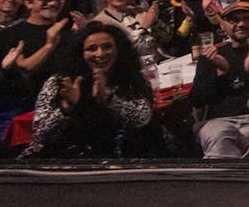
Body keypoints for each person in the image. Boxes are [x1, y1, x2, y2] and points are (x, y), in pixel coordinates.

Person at [23, 23, 156, 159]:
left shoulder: (131, 79)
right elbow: (40, 135)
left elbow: (142, 119)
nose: (100, 54)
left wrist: (109, 99)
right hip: (64, 160)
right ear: (80, 53)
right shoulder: (59, 82)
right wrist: (66, 109)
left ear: (119, 49)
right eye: (91, 49)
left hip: (121, 159)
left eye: (107, 47)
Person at [191, 1, 249, 159]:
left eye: (248, 18)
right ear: (222, 25)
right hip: (218, 120)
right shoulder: (213, 55)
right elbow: (197, 100)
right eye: (233, 20)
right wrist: (221, 74)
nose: (241, 24)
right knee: (219, 139)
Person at [149, 0, 219, 59]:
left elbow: (219, 29)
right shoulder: (163, 7)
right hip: (181, 56)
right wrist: (188, 20)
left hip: (211, 52)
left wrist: (209, 11)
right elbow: (171, 42)